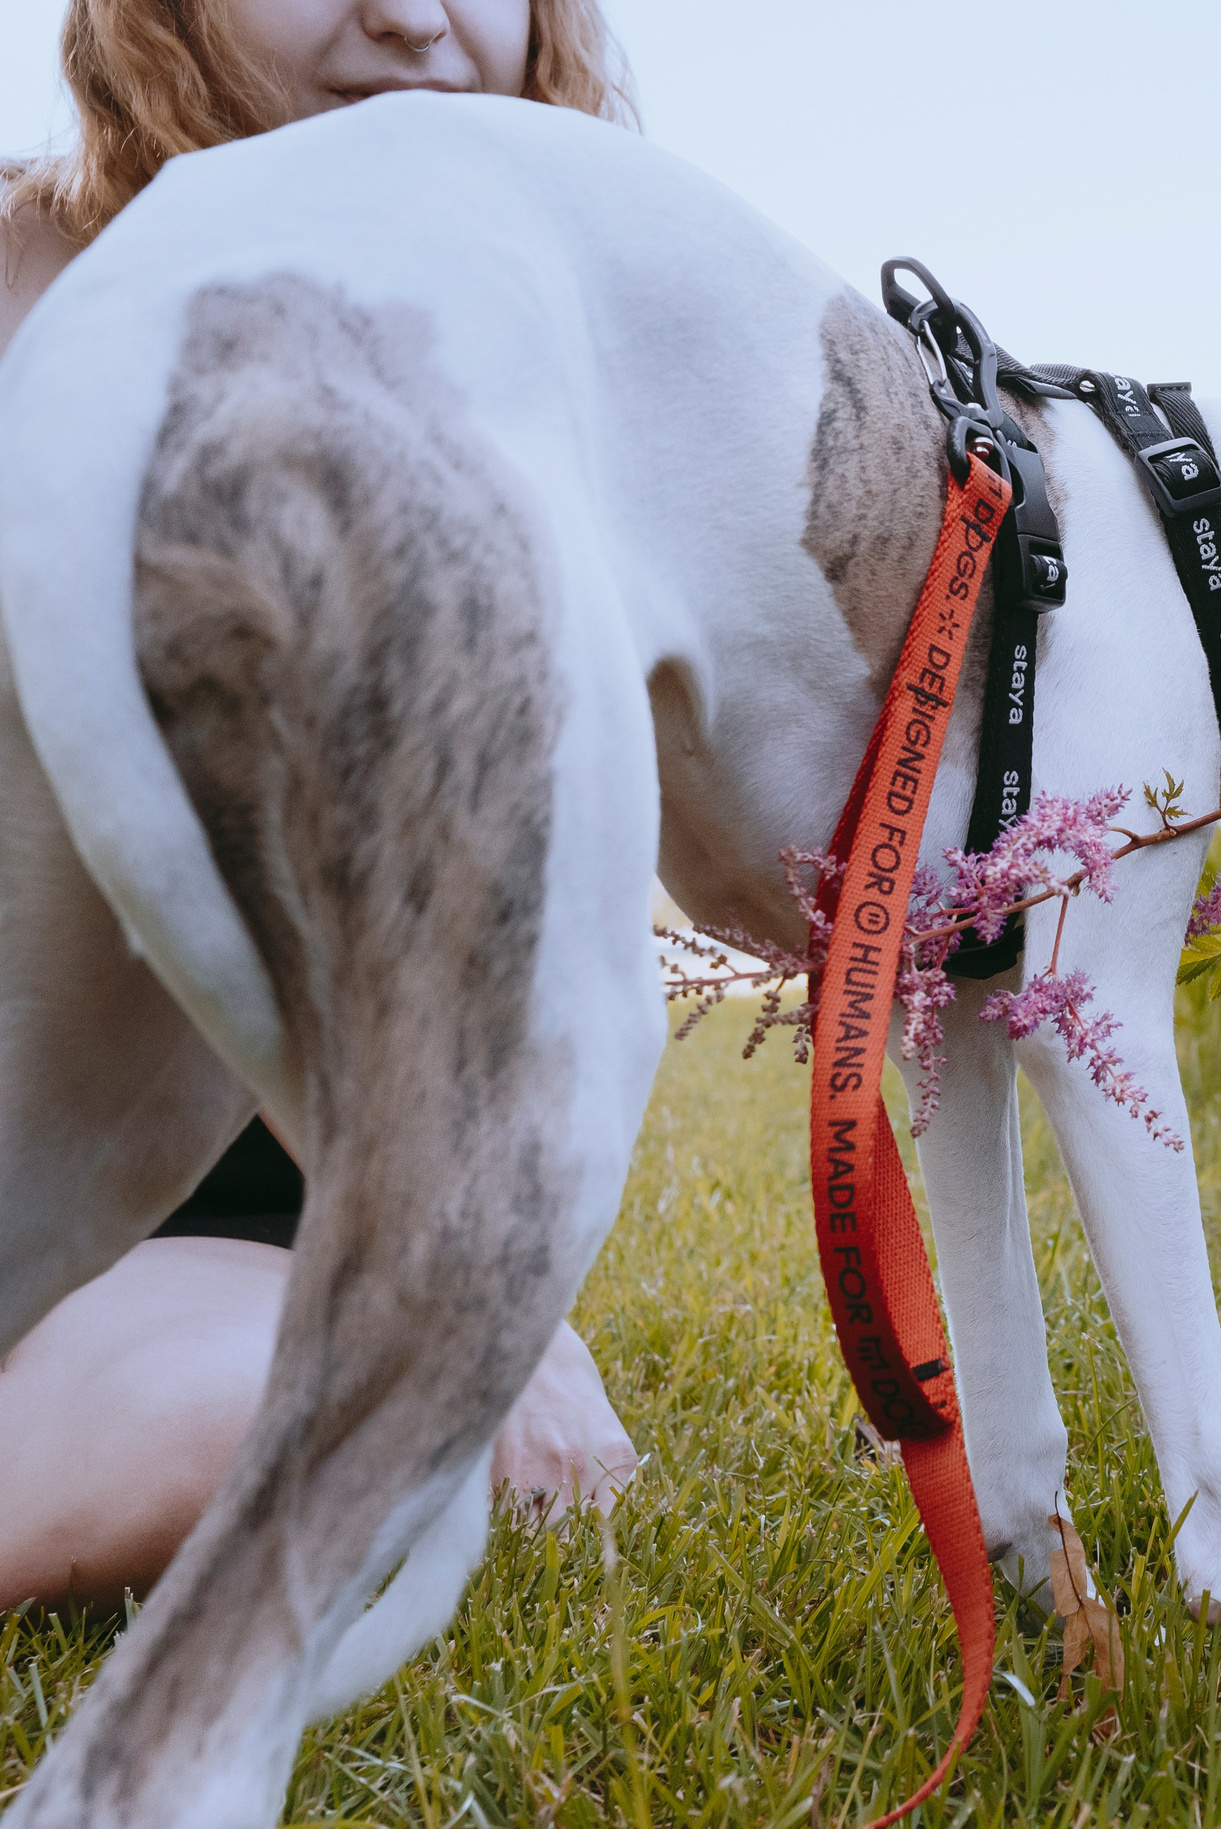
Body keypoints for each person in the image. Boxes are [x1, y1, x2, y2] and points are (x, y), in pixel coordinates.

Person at [0, 0, 1221, 1616]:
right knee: (386, 1406)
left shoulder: (575, 388)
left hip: (247, 1230)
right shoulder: (43, 306)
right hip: (84, 1152)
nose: (410, 12)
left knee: (336, 1427)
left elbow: (1026, 819)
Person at [0, 0, 641, 1615]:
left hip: (210, 1253)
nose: (414, 20)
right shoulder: (27, 289)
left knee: (249, 1420)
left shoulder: (533, 378)